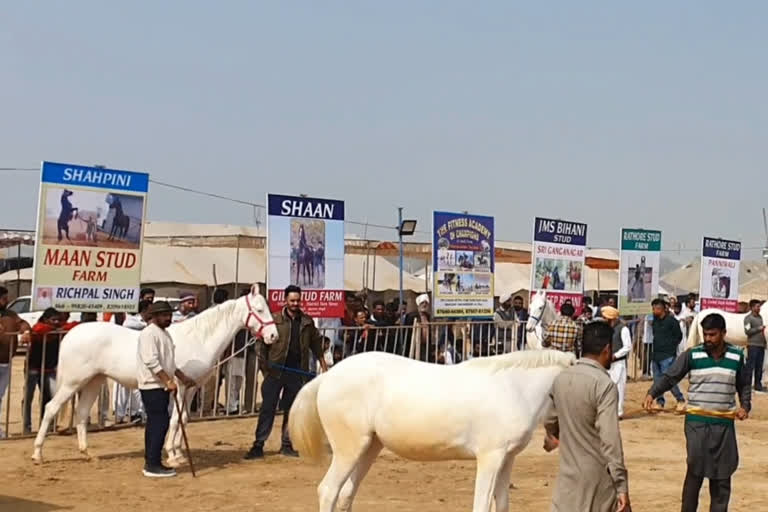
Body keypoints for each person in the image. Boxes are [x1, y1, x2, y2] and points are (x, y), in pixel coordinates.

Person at [643, 313, 750, 512]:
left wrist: (745, 406)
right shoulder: (693, 354)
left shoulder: (737, 356)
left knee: (722, 475)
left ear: (723, 333)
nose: (708, 339)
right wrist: (653, 392)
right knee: (695, 471)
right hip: (696, 424)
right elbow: (670, 376)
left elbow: (743, 385)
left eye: (712, 335)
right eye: (705, 335)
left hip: (724, 425)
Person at [543, 321, 631, 512]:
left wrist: (554, 436)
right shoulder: (604, 385)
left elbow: (550, 420)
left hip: (567, 475)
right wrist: (622, 486)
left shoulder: (561, 379)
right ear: (607, 349)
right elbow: (610, 440)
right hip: (598, 479)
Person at [244, 285, 327, 459]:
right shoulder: (274, 319)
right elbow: (260, 345)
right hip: (274, 372)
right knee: (268, 409)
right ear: (285, 300)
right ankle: (258, 445)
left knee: (292, 410)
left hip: (297, 372)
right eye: (292, 300)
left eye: (298, 300)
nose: (295, 303)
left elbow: (316, 344)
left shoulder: (307, 321)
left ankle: (287, 445)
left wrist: (323, 364)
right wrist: (264, 367)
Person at [136, 301, 196, 478]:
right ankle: (152, 464)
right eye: (164, 315)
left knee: (159, 423)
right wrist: (167, 381)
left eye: (169, 315)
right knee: (159, 424)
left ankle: (153, 461)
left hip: (161, 385)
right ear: (154, 316)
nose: (168, 318)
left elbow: (168, 362)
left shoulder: (165, 334)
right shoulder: (148, 334)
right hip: (152, 385)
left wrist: (181, 376)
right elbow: (151, 361)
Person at [22, 307, 62, 433]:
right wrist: (56, 329)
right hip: (33, 368)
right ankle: (26, 427)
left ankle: (46, 425)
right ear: (45, 319)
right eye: (53, 319)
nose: (56, 322)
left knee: (49, 397)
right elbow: (39, 328)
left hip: (49, 369)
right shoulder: (39, 328)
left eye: (57, 320)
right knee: (28, 398)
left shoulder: (57, 330)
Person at [0, 287, 31, 437]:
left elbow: (23, 323)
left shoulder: (10, 315)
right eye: (4, 298)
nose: (6, 301)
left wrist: (25, 331)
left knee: (0, 396)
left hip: (6, 362)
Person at [116, 300, 151, 423]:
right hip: (126, 357)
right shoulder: (131, 321)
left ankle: (138, 413)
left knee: (139, 388)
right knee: (122, 387)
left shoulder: (147, 323)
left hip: (141, 358)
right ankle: (119, 414)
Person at [650, 298, 686, 412]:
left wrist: (671, 348)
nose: (655, 311)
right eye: (653, 308)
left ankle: (680, 400)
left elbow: (678, 336)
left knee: (669, 380)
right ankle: (660, 402)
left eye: (658, 308)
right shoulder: (655, 321)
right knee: (657, 380)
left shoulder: (672, 321)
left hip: (668, 356)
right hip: (656, 355)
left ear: (664, 309)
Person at [601, 306, 632, 418]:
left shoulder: (623, 329)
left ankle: (618, 412)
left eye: (606, 318)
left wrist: (615, 355)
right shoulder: (606, 329)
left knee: (619, 387)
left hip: (618, 363)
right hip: (606, 362)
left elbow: (627, 347)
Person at [744, 299, 766, 391]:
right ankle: (747, 384)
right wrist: (758, 328)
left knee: (759, 366)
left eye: (759, 306)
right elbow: (747, 331)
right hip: (753, 345)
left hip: (761, 346)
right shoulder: (748, 318)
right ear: (752, 307)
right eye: (757, 306)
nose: (759, 308)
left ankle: (758, 384)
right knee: (750, 366)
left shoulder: (760, 318)